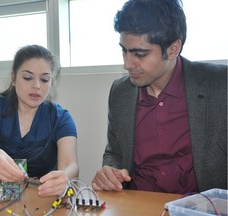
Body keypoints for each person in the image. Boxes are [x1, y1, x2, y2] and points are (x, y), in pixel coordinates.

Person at [92, 0, 227, 194]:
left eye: (140, 53)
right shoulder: (120, 92)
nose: (127, 64)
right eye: (124, 50)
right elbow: (115, 152)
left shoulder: (220, 85)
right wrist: (110, 171)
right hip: (138, 207)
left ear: (173, 49)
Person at [0, 44, 79, 197]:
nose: (36, 86)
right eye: (27, 77)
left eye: (44, 79)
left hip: (40, 199)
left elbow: (70, 165)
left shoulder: (61, 117)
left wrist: (65, 177)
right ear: (13, 77)